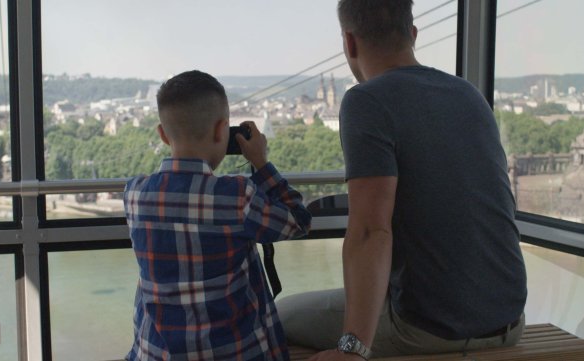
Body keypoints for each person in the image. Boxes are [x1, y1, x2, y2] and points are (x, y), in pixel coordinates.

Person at [277, 0, 527, 359]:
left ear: (349, 42)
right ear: (412, 34)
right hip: (508, 322)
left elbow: (369, 231)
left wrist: (351, 349)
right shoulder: (468, 95)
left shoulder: (366, 101)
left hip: (428, 329)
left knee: (278, 315)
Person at [123, 70, 312, 361]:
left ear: (162, 134)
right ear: (222, 131)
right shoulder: (237, 196)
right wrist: (261, 162)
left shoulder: (134, 194)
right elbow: (298, 221)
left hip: (156, 353)